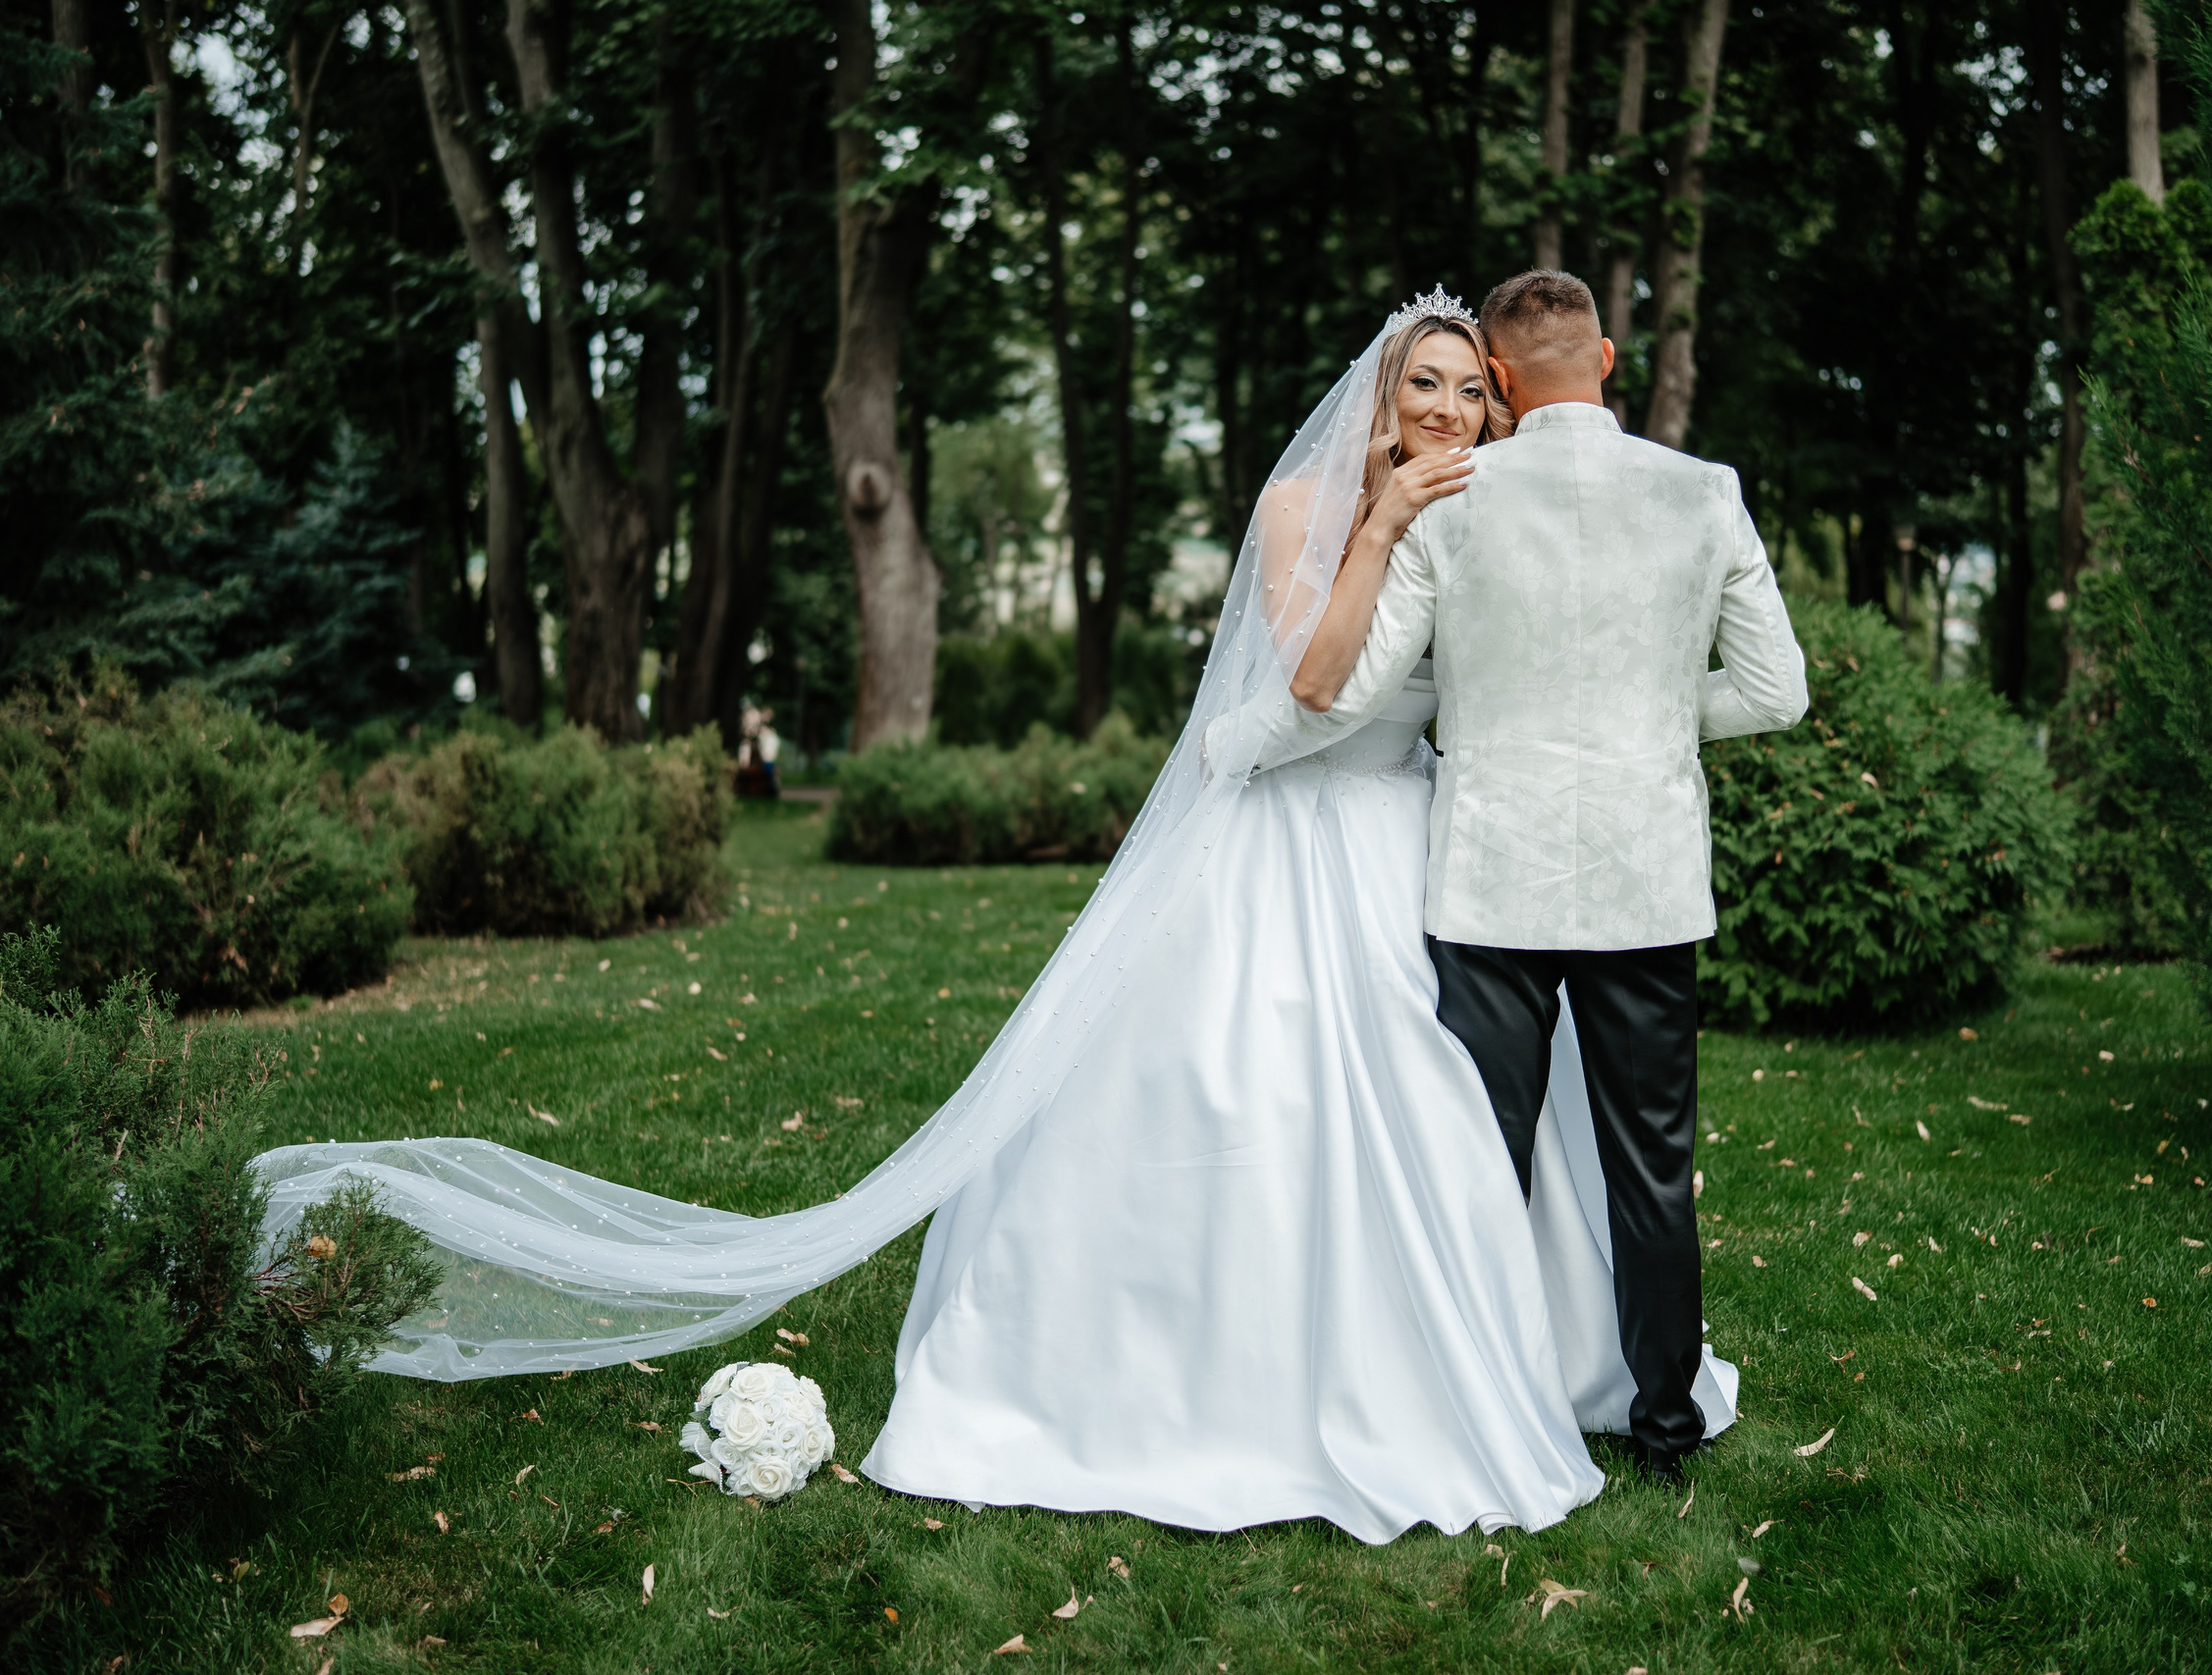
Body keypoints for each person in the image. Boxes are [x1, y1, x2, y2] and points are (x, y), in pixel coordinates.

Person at [249, 284, 1786, 1543]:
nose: (1448, 412)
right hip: (1305, 838)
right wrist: (1382, 526)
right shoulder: (1318, 502)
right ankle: (1243, 1379)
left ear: (1500, 405)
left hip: (1417, 850)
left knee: (1449, 1128)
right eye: (1427, 385)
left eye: (1470, 393)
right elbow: (1313, 689)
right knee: (1272, 1107)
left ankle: (1481, 1364)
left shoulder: (1476, 508)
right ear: (1382, 391)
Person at [1229, 270, 1810, 1478]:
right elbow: (1774, 694)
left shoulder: (1450, 497)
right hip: (1646, 885)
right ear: (1605, 360)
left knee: (1481, 1161)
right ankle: (1664, 1429)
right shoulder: (1705, 494)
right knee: (1651, 1165)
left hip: (1488, 883)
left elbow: (1358, 686)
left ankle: (1480, 1412)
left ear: (1495, 378)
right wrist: (1646, 721)